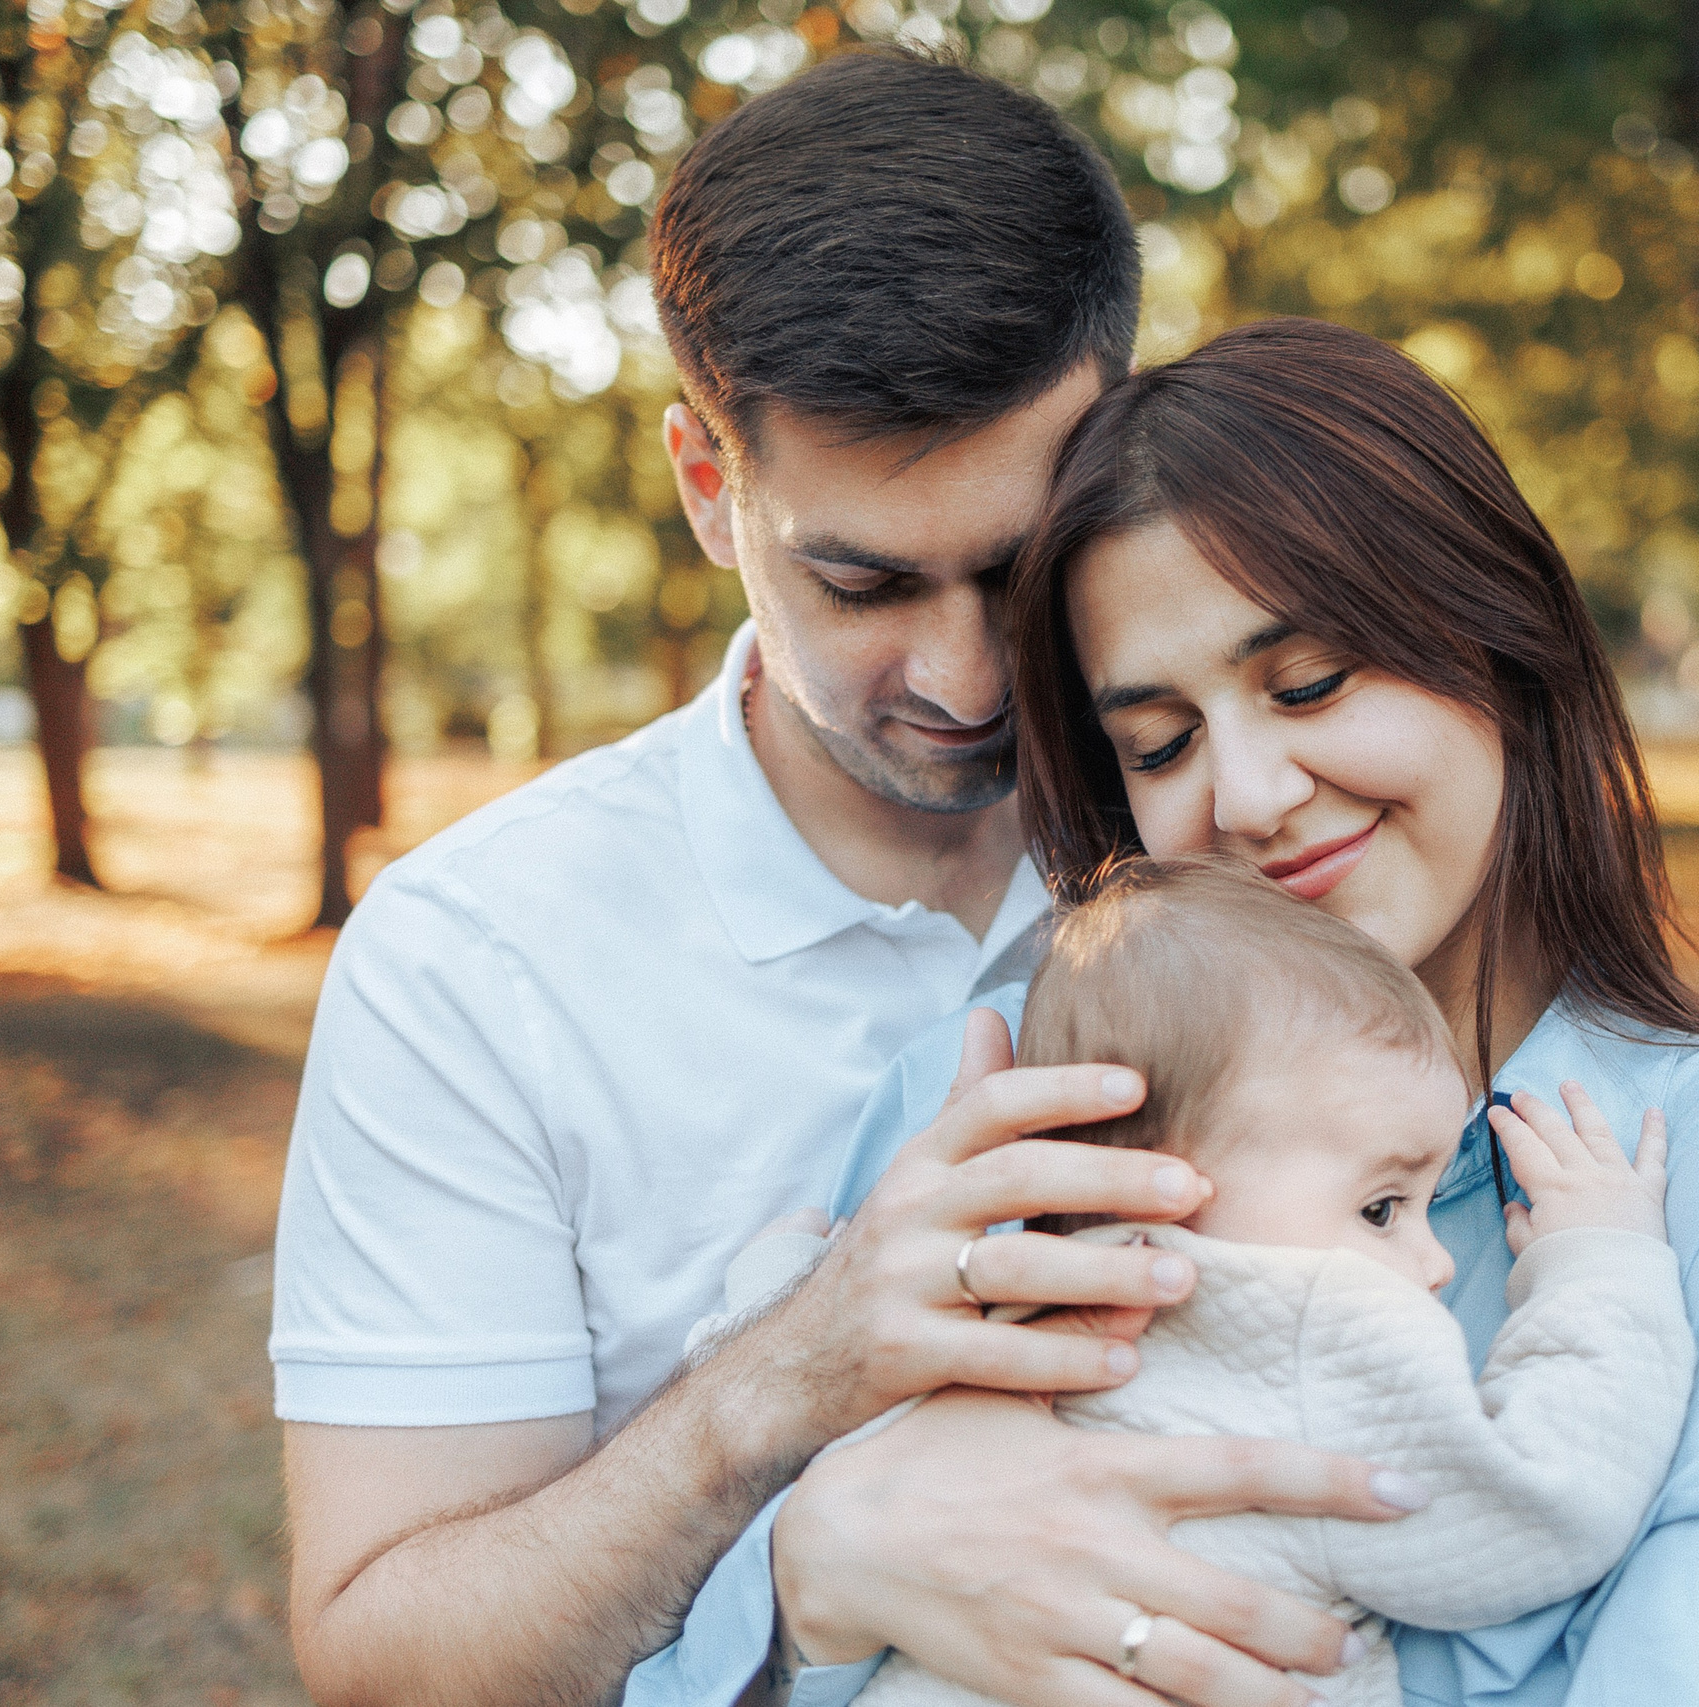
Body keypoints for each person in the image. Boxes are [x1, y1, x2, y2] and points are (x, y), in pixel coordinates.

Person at [637, 319, 1699, 1707]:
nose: (1248, 796)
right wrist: (816, 1575)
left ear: (1501, 639)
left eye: (1309, 684)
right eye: (1158, 743)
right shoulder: (996, 1112)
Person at [267, 63, 1410, 1707]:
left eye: (1015, 567)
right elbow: (386, 1656)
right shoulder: (475, 962)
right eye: (862, 583)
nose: (965, 677)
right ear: (707, 485)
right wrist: (780, 1384)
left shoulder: (1246, 829)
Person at [707, 854, 1696, 1707]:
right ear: (1164, 1188)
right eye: (1382, 1208)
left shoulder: (975, 1311)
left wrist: (781, 1274)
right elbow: (1542, 1509)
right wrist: (1600, 1259)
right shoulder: (1310, 1328)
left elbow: (810, 1425)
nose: (1433, 1261)